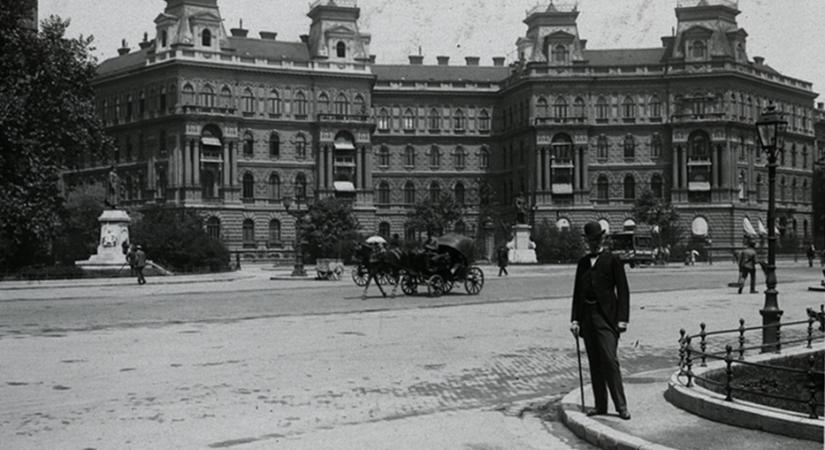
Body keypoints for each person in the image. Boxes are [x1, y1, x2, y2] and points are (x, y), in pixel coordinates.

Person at [570, 221, 631, 420]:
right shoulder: (583, 263)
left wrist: (622, 319)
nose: (594, 243)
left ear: (602, 239)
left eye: (597, 239)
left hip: (607, 319)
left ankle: (621, 406)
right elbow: (577, 293)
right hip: (587, 317)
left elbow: (623, 291)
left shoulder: (613, 260)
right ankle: (600, 405)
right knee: (595, 362)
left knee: (610, 360)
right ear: (586, 242)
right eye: (590, 240)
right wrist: (575, 320)